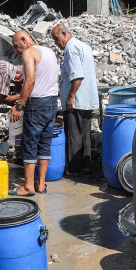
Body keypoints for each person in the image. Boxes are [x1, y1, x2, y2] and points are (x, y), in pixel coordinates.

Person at [9, 30, 59, 196]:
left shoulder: (29, 52)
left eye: (16, 46)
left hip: (36, 104)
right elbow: (55, 78)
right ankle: (41, 184)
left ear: (24, 40)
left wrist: (20, 105)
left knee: (30, 143)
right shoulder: (49, 52)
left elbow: (31, 80)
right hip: (52, 102)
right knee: (44, 143)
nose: (16, 50)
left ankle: (28, 186)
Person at [51, 24, 99, 176]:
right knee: (85, 134)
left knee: (74, 135)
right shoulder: (84, 46)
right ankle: (86, 166)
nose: (56, 43)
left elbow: (77, 76)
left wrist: (71, 96)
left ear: (64, 34)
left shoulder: (70, 48)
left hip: (76, 100)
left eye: (56, 39)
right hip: (87, 98)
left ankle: (73, 169)